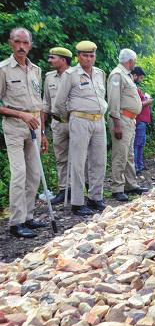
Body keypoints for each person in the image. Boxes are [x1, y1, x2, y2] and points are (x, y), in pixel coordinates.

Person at [0, 28, 49, 238]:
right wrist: (21, 115)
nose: (21, 46)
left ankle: (28, 216)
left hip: (35, 125)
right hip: (14, 126)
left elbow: (39, 104)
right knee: (19, 173)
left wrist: (44, 132)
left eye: (25, 42)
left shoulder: (35, 70)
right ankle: (16, 222)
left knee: (34, 174)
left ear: (30, 44)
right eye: (17, 42)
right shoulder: (3, 69)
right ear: (11, 43)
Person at [53, 40, 107, 216]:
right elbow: (59, 103)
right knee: (78, 162)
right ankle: (77, 202)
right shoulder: (70, 75)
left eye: (92, 56)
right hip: (80, 120)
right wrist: (70, 118)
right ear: (78, 56)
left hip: (99, 120)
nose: (89, 59)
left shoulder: (100, 74)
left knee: (99, 160)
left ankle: (95, 197)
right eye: (85, 56)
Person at [106, 49, 148, 202]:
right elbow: (113, 100)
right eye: (134, 61)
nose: (135, 64)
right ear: (130, 61)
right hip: (121, 119)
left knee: (128, 154)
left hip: (130, 119)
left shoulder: (127, 75)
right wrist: (116, 123)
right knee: (120, 154)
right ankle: (117, 187)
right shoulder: (117, 74)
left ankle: (130, 184)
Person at [42, 46, 73, 205]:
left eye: (52, 57)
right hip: (57, 123)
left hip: (75, 122)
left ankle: (79, 191)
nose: (49, 60)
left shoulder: (76, 75)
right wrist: (42, 130)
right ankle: (63, 191)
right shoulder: (49, 78)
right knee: (61, 158)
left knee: (80, 157)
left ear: (63, 59)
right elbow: (46, 104)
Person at [132, 67, 152, 174]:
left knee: (141, 143)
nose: (141, 80)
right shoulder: (133, 88)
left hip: (142, 121)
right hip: (139, 120)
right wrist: (148, 102)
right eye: (140, 78)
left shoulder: (136, 88)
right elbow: (138, 104)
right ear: (135, 76)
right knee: (137, 144)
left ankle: (140, 164)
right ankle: (136, 166)